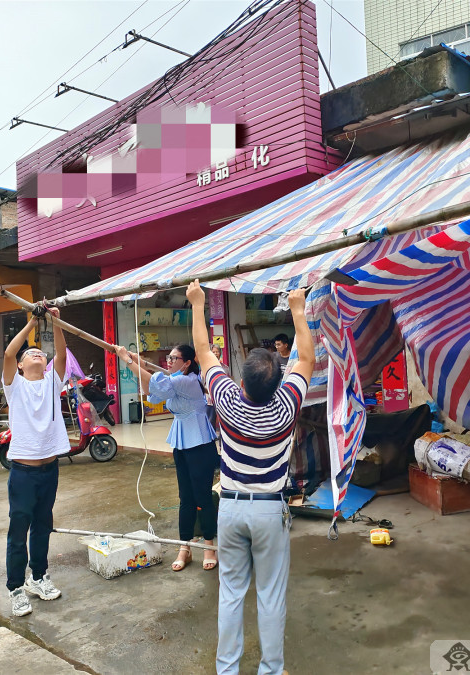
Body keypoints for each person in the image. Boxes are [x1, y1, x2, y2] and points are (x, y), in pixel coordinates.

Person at [188, 280, 314, 675]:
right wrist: (297, 307)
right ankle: (271, 670)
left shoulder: (226, 399)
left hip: (230, 509)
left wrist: (197, 303)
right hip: (269, 513)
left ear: (241, 382)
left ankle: (227, 670)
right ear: (280, 381)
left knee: (230, 594)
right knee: (271, 597)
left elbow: (204, 351)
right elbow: (306, 357)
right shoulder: (287, 405)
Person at [115, 343, 219, 571]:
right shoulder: (174, 381)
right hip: (182, 442)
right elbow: (151, 392)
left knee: (202, 496)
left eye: (174, 358)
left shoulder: (189, 381)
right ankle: (185, 546)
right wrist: (140, 366)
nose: (169, 361)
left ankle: (210, 545)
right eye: (168, 357)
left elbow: (156, 383)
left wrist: (129, 361)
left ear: (188, 363)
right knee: (185, 497)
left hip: (200, 443)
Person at [2, 306, 70, 617]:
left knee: (43, 526)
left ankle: (39, 577)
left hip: (50, 468)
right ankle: (16, 587)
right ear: (19, 367)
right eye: (30, 355)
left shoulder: (52, 383)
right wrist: (32, 321)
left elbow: (62, 351)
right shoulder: (14, 388)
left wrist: (53, 321)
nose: (37, 355)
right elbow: (8, 353)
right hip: (23, 472)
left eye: (40, 354)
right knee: (19, 530)